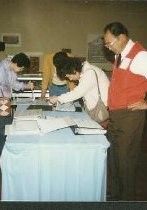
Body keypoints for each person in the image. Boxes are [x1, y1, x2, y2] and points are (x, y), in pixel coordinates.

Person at [103, 22, 147, 201]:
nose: (107, 47)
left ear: (121, 38)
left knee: (126, 162)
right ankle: (116, 194)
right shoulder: (119, 55)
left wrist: (146, 103)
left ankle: (127, 199)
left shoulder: (141, 55)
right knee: (114, 158)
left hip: (129, 117)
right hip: (115, 116)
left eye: (109, 43)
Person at [0, 53, 34, 156]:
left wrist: (26, 86)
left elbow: (13, 84)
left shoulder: (10, 67)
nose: (21, 71)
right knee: (1, 133)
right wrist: (4, 102)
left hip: (2, 101)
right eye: (21, 69)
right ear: (17, 64)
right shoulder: (0, 70)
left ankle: (7, 155)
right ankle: (2, 157)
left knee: (8, 128)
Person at [49, 57, 109, 124]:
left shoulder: (89, 73)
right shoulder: (86, 71)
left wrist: (58, 98)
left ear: (74, 71)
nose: (70, 79)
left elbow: (77, 93)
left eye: (69, 76)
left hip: (101, 110)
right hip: (95, 108)